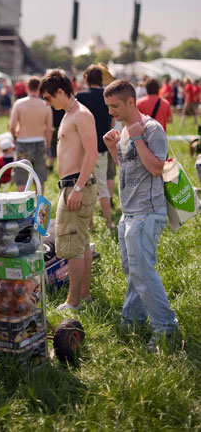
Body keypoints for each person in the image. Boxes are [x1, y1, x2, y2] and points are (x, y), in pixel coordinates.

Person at [103, 79, 178, 349]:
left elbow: (157, 168)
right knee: (133, 270)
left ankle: (165, 327)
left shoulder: (151, 128)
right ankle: (133, 319)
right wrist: (114, 147)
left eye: (115, 106)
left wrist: (136, 137)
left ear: (131, 102)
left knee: (143, 272)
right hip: (129, 212)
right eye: (108, 106)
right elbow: (128, 169)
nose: (111, 112)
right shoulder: (124, 130)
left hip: (147, 212)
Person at [40, 70, 98, 310]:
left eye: (48, 97)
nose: (47, 102)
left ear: (61, 92)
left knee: (73, 245)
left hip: (77, 186)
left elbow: (92, 153)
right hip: (72, 185)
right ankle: (83, 295)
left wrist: (77, 187)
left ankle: (72, 301)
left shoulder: (81, 115)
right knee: (81, 244)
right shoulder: (69, 114)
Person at [76, 64, 114, 229]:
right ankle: (109, 222)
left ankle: (89, 223)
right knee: (102, 187)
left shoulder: (81, 97)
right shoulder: (108, 96)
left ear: (86, 78)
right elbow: (112, 121)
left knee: (85, 187)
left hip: (84, 148)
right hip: (103, 146)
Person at [9, 76, 52, 193]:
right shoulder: (45, 105)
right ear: (40, 88)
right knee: (39, 180)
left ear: (26, 88)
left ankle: (21, 209)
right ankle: (39, 208)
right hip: (39, 143)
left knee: (21, 179)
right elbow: (48, 130)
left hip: (22, 142)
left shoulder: (19, 104)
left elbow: (12, 126)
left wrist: (15, 138)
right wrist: (47, 145)